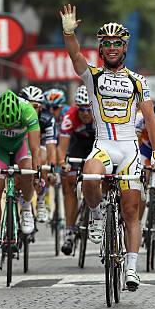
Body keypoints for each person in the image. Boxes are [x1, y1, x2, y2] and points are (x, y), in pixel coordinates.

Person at [60, 4, 155, 290]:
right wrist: (69, 33)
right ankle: (95, 213)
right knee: (90, 178)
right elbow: (75, 54)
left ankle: (131, 268)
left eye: (117, 43)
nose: (112, 47)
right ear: (101, 50)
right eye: (107, 44)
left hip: (129, 148)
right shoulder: (93, 76)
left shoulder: (138, 81)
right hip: (104, 145)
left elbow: (150, 118)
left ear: (124, 48)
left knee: (131, 211)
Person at [0, 89, 41, 269]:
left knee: (28, 171)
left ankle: (27, 207)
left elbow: (35, 149)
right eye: (3, 125)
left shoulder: (28, 110)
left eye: (11, 124)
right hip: (0, 149)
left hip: (22, 146)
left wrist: (37, 175)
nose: (7, 128)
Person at [58, 85, 96, 255]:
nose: (85, 113)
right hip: (77, 146)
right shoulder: (70, 117)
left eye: (89, 109)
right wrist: (62, 162)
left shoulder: (101, 115)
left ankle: (99, 212)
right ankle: (69, 231)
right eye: (82, 109)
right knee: (68, 181)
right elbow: (62, 148)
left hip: (97, 145)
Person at [21, 85, 57, 223]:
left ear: (41, 107)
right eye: (28, 106)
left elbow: (51, 146)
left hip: (40, 145)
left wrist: (52, 168)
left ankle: (41, 200)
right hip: (23, 145)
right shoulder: (15, 116)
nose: (31, 110)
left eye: (35, 106)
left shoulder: (47, 119)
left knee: (41, 160)